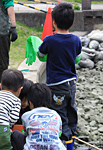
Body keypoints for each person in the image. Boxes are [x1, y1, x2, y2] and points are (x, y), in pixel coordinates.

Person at [38, 2, 82, 149]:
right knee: (71, 114)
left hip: (56, 86)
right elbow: (77, 58)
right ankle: (71, 142)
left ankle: (64, 144)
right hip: (71, 84)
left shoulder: (50, 40)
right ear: (72, 22)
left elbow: (41, 55)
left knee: (60, 116)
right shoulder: (76, 40)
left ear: (54, 22)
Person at [11, 83, 66, 150]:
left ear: (30, 102)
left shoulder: (26, 116)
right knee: (61, 142)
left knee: (14, 134)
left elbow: (26, 133)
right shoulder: (56, 115)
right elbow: (59, 133)